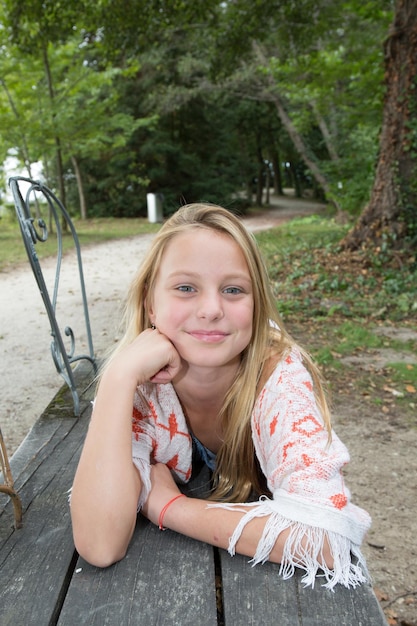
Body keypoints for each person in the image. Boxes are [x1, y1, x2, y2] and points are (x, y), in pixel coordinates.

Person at [70, 203, 371, 589]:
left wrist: (168, 506)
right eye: (185, 288)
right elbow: (99, 544)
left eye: (233, 290)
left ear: (256, 303)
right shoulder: (139, 384)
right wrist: (116, 380)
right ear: (150, 303)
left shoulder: (278, 377)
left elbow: (326, 539)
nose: (211, 310)